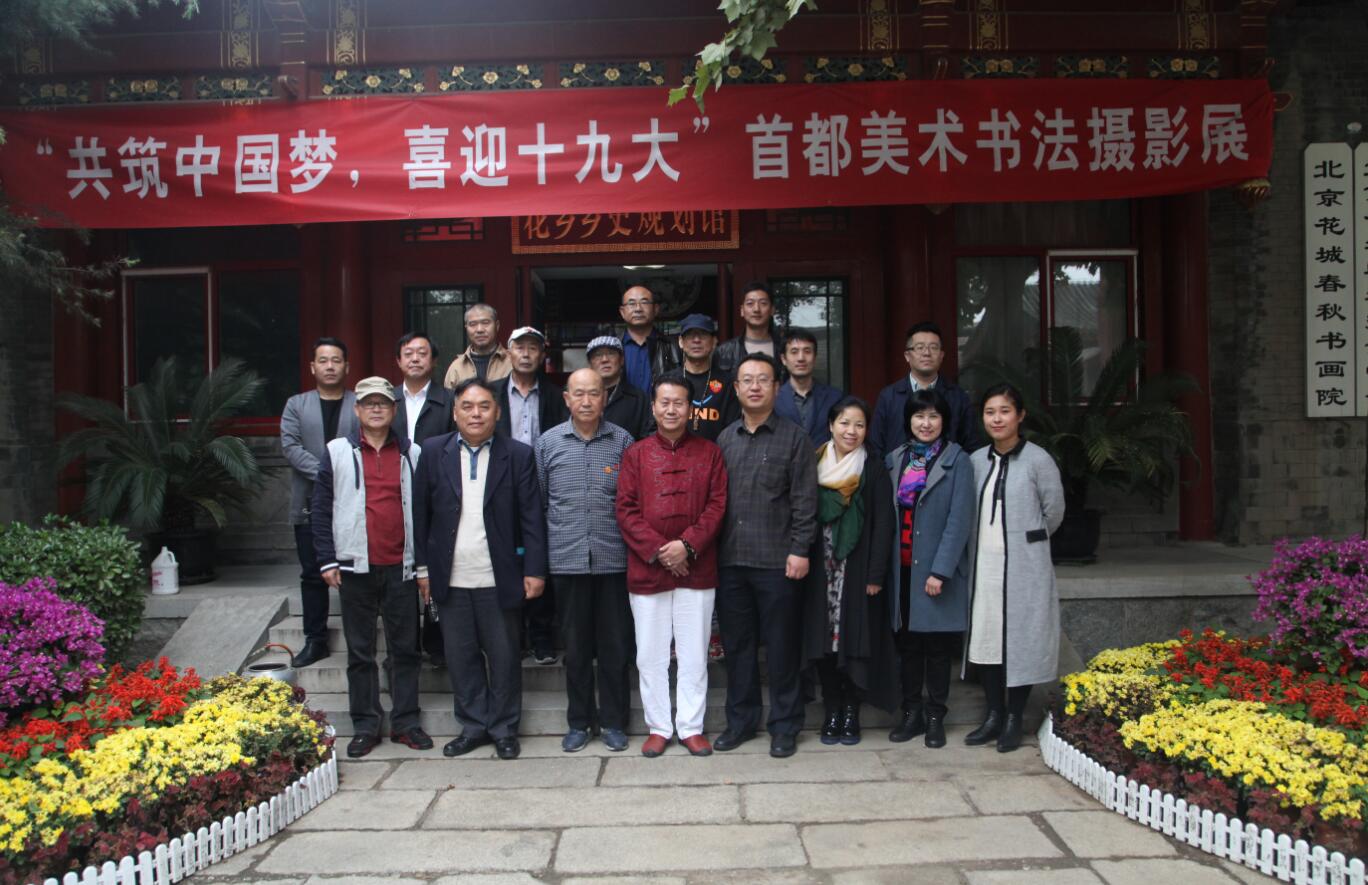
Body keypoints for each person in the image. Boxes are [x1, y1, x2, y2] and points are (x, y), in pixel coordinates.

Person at [412, 378, 548, 761]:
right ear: (455, 413)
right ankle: (473, 726)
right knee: (461, 657)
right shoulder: (432, 451)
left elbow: (532, 517)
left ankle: (504, 729)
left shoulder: (518, 455)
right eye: (467, 407)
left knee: (504, 658)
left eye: (484, 406)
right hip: (450, 576)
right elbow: (420, 516)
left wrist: (535, 569)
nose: (476, 414)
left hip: (499, 575)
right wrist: (422, 569)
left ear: (497, 412)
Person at [311, 377, 431, 758]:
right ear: (357, 410)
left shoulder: (412, 452)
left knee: (405, 650)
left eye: (383, 403)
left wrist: (423, 566)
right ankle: (365, 725)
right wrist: (327, 558)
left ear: (394, 410)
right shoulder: (336, 452)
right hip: (354, 567)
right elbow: (321, 509)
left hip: (401, 566)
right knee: (360, 652)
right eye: (368, 403)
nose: (376, 409)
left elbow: (424, 513)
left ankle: (406, 722)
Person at [616, 376, 728, 758]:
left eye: (679, 402)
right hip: (648, 569)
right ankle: (659, 727)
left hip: (697, 569)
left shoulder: (710, 453)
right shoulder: (635, 454)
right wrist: (662, 551)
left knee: (695, 653)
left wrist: (687, 547)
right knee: (650, 654)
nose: (671, 409)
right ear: (653, 407)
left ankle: (691, 727)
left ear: (690, 408)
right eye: (664, 402)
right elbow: (626, 510)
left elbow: (717, 506)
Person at [714, 353, 818, 758]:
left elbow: (805, 500)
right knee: (738, 648)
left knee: (781, 648)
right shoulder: (725, 439)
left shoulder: (795, 438)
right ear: (736, 389)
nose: (755, 386)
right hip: (731, 561)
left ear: (777, 387)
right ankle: (741, 722)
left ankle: (785, 725)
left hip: (778, 562)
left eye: (763, 379)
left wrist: (800, 549)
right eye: (747, 380)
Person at [534, 368, 637, 753]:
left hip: (614, 560)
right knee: (575, 649)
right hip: (567, 561)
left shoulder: (623, 441)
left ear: (605, 398)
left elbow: (632, 502)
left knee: (614, 647)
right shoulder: (548, 444)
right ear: (566, 399)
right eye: (579, 393)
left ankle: (613, 722)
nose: (587, 401)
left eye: (594, 393)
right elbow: (539, 504)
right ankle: (578, 722)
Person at [963, 382, 1065, 753]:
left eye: (1005, 411)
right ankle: (993, 714)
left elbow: (1054, 513)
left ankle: (1014, 718)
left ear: (1020, 415)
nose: (997, 419)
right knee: (988, 640)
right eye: (990, 412)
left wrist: (1027, 541)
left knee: (1021, 640)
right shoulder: (976, 461)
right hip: (984, 567)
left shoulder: (1039, 460)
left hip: (1024, 567)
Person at [800, 396, 896, 747]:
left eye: (859, 424)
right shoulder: (813, 462)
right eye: (844, 423)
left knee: (853, 641)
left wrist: (875, 575)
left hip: (855, 570)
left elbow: (884, 524)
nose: (851, 431)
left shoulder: (873, 468)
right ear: (830, 425)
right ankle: (832, 709)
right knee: (823, 640)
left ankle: (851, 710)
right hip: (820, 569)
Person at [883, 389, 976, 749]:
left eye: (933, 416)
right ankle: (911, 713)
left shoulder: (957, 460)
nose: (926, 423)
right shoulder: (896, 459)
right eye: (919, 416)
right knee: (907, 646)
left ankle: (936, 715)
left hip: (935, 571)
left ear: (944, 421)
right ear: (908, 420)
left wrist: (941, 571)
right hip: (902, 569)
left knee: (936, 649)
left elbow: (959, 520)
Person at [491, 326, 567, 665]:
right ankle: (513, 636)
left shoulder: (555, 395)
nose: (525, 353)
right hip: (500, 485)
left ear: (542, 355)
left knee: (540, 556)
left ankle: (541, 636)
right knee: (506, 557)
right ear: (508, 352)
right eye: (519, 347)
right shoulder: (491, 392)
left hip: (542, 485)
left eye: (533, 348)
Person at [280, 337, 357, 670]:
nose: (330, 366)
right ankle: (316, 640)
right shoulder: (296, 405)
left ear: (346, 366)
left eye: (336, 360)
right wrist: (328, 473)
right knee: (313, 574)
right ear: (312, 367)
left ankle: (359, 639)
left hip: (352, 504)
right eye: (323, 360)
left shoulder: (358, 404)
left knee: (355, 575)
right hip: (309, 503)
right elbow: (291, 448)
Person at [870, 322, 979, 457]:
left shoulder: (958, 397)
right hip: (897, 470)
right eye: (920, 347)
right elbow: (876, 447)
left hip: (946, 470)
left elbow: (971, 447)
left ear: (941, 355)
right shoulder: (889, 396)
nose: (927, 353)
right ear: (907, 356)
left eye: (933, 347)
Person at [659, 314, 740, 442]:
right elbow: (655, 425)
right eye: (690, 335)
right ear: (681, 342)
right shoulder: (666, 382)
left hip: (717, 453)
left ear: (714, 341)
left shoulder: (728, 383)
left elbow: (733, 430)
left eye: (703, 334)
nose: (696, 340)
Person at [774, 329, 843, 445]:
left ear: (815, 357)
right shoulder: (772, 399)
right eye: (794, 352)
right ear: (783, 359)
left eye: (807, 351)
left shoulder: (835, 398)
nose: (801, 358)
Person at [392, 332, 454, 445]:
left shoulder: (451, 400)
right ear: (399, 361)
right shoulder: (389, 399)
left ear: (434, 360)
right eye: (408, 354)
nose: (415, 359)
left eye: (422, 353)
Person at [587, 335, 651, 439]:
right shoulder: (579, 398)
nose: (604, 359)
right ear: (590, 363)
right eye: (598, 355)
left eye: (611, 353)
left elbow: (646, 439)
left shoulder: (639, 399)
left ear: (622, 360)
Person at [619, 284, 679, 393]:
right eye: (631, 303)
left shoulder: (672, 346)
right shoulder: (614, 348)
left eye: (644, 302)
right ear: (622, 312)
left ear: (656, 309)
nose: (638, 309)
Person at [715, 282, 785, 375]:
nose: (756, 309)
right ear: (742, 310)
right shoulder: (724, 351)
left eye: (763, 303)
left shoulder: (784, 348)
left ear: (772, 310)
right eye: (750, 303)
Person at [443, 303, 511, 387]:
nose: (479, 330)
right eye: (473, 324)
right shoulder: (456, 368)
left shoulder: (512, 362)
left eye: (485, 323)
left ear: (497, 326)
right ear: (466, 328)